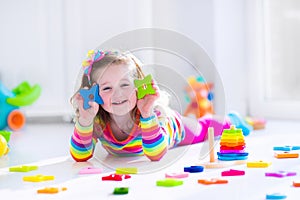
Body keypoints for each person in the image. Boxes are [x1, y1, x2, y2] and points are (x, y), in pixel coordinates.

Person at [70, 49, 252, 162]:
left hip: (174, 128)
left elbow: (156, 155)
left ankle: (232, 119)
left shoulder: (153, 113)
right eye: (107, 88)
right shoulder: (97, 121)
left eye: (125, 85)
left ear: (139, 87)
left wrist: (147, 113)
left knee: (204, 128)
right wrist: (85, 121)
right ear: (93, 94)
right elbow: (80, 156)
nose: (118, 94)